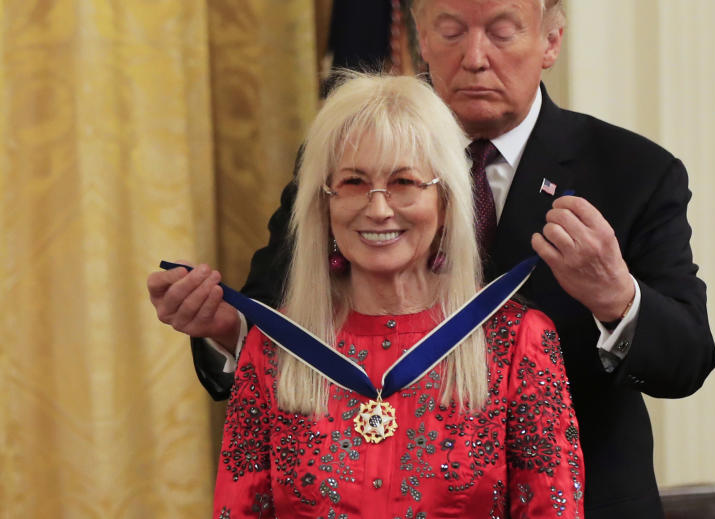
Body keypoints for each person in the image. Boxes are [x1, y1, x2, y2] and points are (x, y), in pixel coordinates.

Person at [149, 0, 715, 518]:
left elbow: (688, 362)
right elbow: (284, 319)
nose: (474, 57)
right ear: (421, 35)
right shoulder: (351, 156)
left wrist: (617, 298)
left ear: (551, 40)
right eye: (451, 31)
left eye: (501, 31)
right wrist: (222, 328)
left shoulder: (631, 172)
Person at [208, 73, 584, 517]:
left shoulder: (517, 341)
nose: (379, 207)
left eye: (404, 182)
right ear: (323, 205)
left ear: (445, 203)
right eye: (352, 182)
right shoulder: (274, 348)